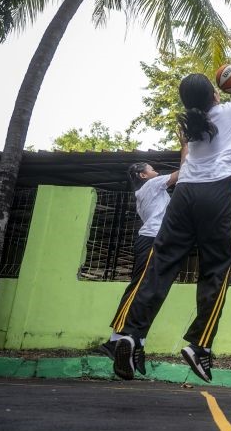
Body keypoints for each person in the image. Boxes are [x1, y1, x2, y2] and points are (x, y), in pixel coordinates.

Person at [111, 72, 231, 383]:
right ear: (215, 97)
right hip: (218, 192)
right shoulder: (229, 111)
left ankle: (129, 334)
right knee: (215, 270)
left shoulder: (189, 125)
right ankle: (200, 345)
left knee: (159, 265)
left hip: (185, 194)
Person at [97, 138, 187, 374]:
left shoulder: (152, 191)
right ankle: (114, 340)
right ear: (143, 175)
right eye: (151, 168)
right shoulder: (150, 186)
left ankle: (137, 344)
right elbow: (184, 170)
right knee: (140, 287)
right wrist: (185, 145)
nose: (155, 170)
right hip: (151, 240)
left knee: (153, 292)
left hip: (162, 241)